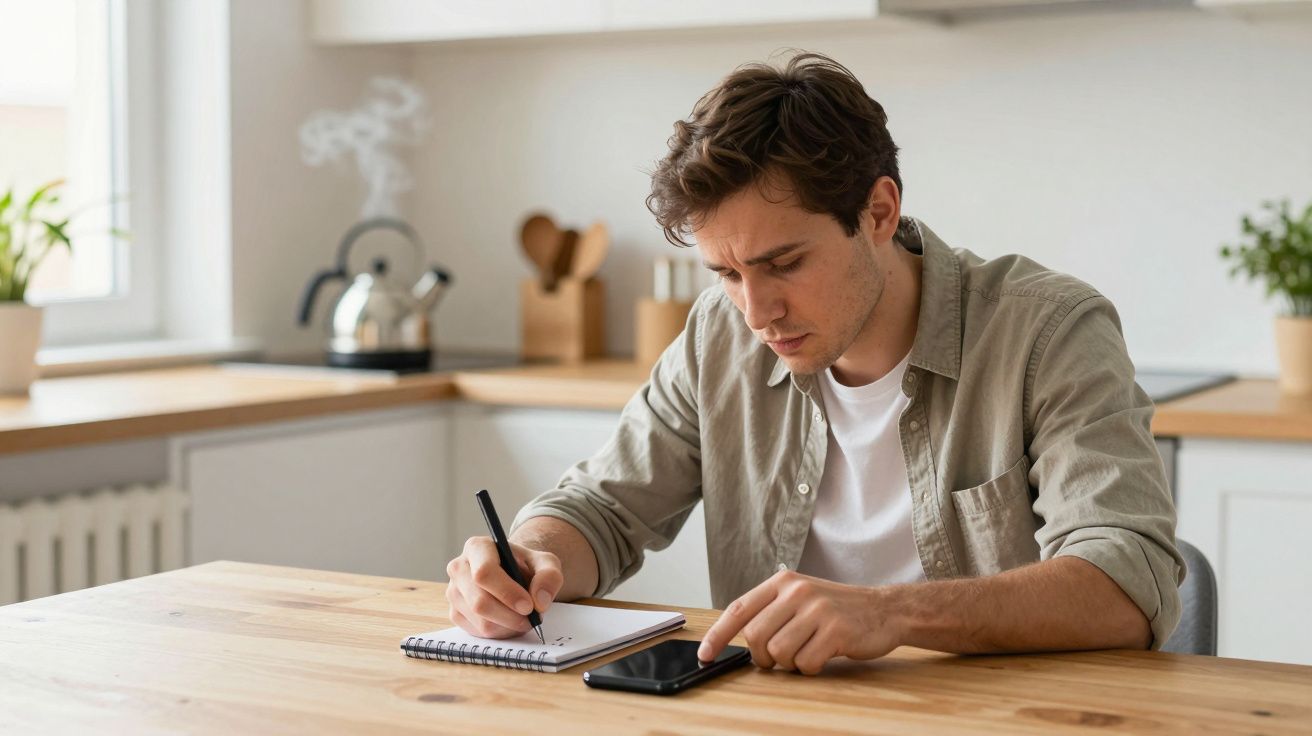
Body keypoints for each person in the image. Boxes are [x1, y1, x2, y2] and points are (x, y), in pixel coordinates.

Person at [444, 51, 1184, 675]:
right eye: (727, 274)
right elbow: (601, 510)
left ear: (879, 213)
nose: (756, 311)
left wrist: (890, 613)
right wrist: (527, 560)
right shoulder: (718, 336)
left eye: (784, 263)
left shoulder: (1048, 331)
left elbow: (1126, 581)